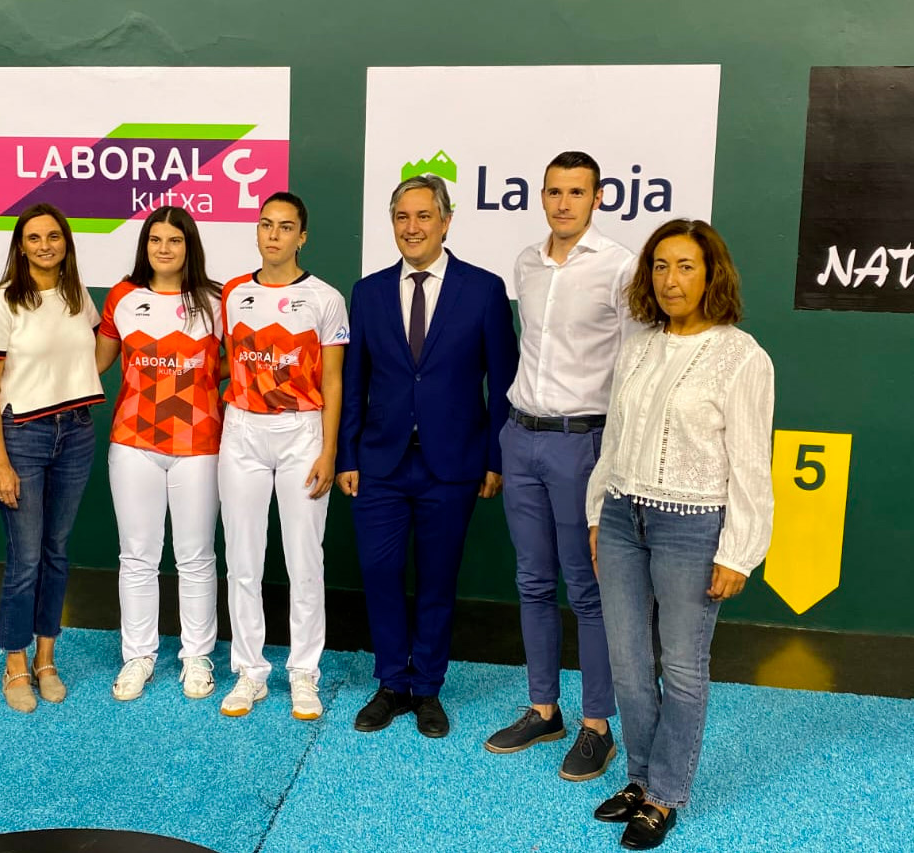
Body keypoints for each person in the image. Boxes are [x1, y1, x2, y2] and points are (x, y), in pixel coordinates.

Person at [587, 219, 774, 850]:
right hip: (620, 517)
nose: (672, 279)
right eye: (661, 266)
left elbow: (751, 461)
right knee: (629, 665)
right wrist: (596, 512)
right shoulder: (637, 347)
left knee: (685, 670)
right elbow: (613, 440)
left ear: (712, 274)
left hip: (692, 527)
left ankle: (667, 795)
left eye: (686, 266)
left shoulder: (741, 357)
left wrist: (740, 551)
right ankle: (640, 780)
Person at [337, 174, 518, 738]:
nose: (411, 227)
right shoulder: (367, 292)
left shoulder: (484, 289)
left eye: (423, 216)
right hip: (381, 463)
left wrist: (496, 458)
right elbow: (354, 381)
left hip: (454, 466)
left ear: (445, 221)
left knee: (438, 580)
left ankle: (428, 689)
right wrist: (348, 455)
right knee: (381, 573)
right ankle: (392, 683)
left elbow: (504, 379)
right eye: (401, 217)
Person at [484, 152, 639, 780]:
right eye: (553, 191)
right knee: (532, 581)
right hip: (521, 438)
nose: (563, 203)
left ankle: (596, 726)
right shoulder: (525, 262)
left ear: (597, 197)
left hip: (583, 444)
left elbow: (632, 364)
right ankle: (543, 708)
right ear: (541, 196)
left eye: (576, 192)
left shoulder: (621, 267)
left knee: (588, 589)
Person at [217, 192, 348, 720]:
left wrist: (330, 449)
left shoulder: (326, 298)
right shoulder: (232, 292)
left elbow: (335, 380)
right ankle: (249, 672)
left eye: (286, 227)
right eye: (266, 225)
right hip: (242, 430)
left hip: (303, 432)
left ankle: (303, 673)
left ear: (302, 236)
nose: (273, 235)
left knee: (304, 560)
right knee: (242, 560)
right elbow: (230, 363)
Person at [0, 203, 103, 713]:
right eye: (34, 238)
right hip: (21, 436)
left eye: (54, 235)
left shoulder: (77, 297)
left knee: (56, 552)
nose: (45, 244)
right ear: (20, 246)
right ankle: (14, 663)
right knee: (25, 559)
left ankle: (46, 659)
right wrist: (0, 462)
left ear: (66, 243)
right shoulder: (1, 303)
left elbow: (93, 354)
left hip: (75, 433)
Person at [95, 207, 223, 702]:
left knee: (195, 556)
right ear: (144, 246)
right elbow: (96, 362)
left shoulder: (216, 300)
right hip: (133, 443)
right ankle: (139, 656)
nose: (164, 248)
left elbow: (235, 365)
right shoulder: (123, 299)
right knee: (137, 556)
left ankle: (197, 656)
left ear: (189, 245)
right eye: (155, 239)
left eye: (174, 240)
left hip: (199, 445)